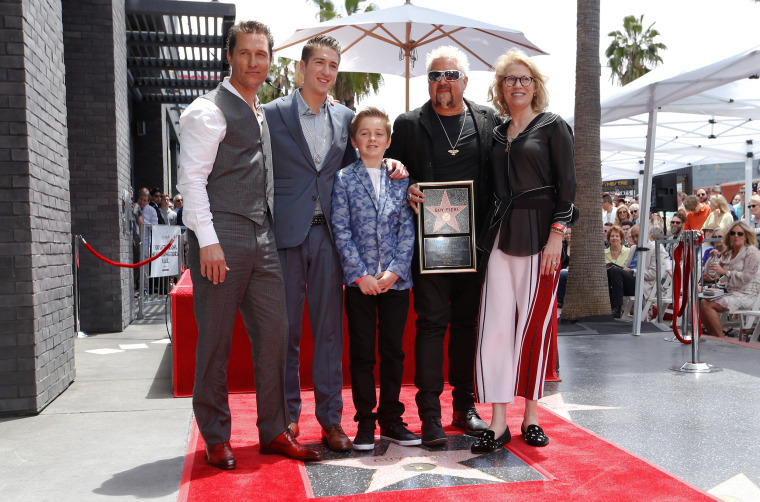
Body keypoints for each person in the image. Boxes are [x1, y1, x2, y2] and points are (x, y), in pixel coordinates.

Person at [176, 20, 321, 470]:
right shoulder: (206, 110)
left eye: (261, 54)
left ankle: (274, 430)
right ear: (229, 56)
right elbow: (192, 181)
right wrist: (208, 241)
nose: (254, 62)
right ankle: (216, 437)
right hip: (221, 238)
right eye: (245, 53)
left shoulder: (258, 110)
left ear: (270, 59)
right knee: (215, 344)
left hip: (263, 237)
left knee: (275, 338)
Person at [262, 35, 406, 452]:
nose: (326, 71)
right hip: (285, 236)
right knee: (285, 331)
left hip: (331, 237)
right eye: (319, 63)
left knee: (328, 334)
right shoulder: (271, 115)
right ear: (301, 68)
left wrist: (393, 164)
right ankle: (286, 419)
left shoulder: (346, 118)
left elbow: (365, 161)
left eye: (333, 65)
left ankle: (331, 421)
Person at [385, 45, 496, 445]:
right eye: (434, 76)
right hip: (428, 246)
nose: (442, 82)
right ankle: (430, 415)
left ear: (465, 81)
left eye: (450, 75)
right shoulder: (409, 124)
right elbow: (390, 175)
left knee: (467, 325)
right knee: (431, 325)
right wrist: (406, 186)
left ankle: (464, 407)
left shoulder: (487, 120)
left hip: (475, 245)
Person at [470, 48, 576, 453]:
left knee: (533, 327)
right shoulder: (496, 134)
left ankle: (531, 416)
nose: (517, 85)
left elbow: (568, 186)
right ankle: (498, 422)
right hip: (500, 236)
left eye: (524, 79)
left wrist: (557, 234)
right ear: (500, 88)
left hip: (541, 237)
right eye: (509, 79)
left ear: (535, 85)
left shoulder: (553, 126)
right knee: (495, 326)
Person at [331, 107, 419, 450]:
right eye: (364, 134)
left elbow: (407, 228)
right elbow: (341, 229)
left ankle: (392, 420)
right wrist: (359, 275)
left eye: (378, 134)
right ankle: (365, 422)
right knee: (363, 353)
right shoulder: (343, 179)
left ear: (388, 141)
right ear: (355, 141)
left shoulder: (400, 179)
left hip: (396, 282)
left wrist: (396, 269)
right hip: (361, 284)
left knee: (393, 352)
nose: (372, 139)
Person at [699, 221, 760, 337]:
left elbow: (746, 277)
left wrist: (725, 272)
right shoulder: (729, 252)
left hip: (747, 295)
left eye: (740, 233)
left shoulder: (751, 252)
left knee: (707, 304)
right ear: (729, 236)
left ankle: (720, 338)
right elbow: (712, 274)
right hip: (730, 292)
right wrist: (713, 258)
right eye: (733, 233)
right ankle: (715, 336)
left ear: (746, 236)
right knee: (701, 302)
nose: (736, 236)